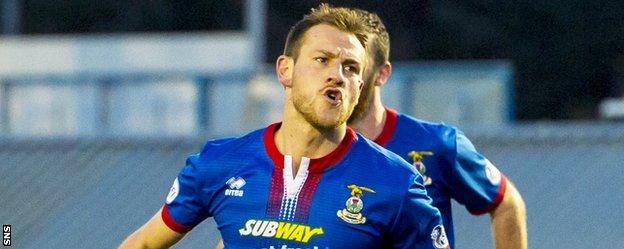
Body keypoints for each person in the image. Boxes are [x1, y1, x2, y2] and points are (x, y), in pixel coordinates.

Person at [119, 4, 450, 249]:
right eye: (322, 60)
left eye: (351, 68)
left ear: (360, 86)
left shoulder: (397, 183)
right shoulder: (219, 163)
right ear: (285, 71)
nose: (337, 74)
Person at [346, 9, 528, 249]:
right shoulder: (304, 149)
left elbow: (506, 203)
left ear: (382, 73)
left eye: (353, 65)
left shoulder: (435, 143)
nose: (340, 75)